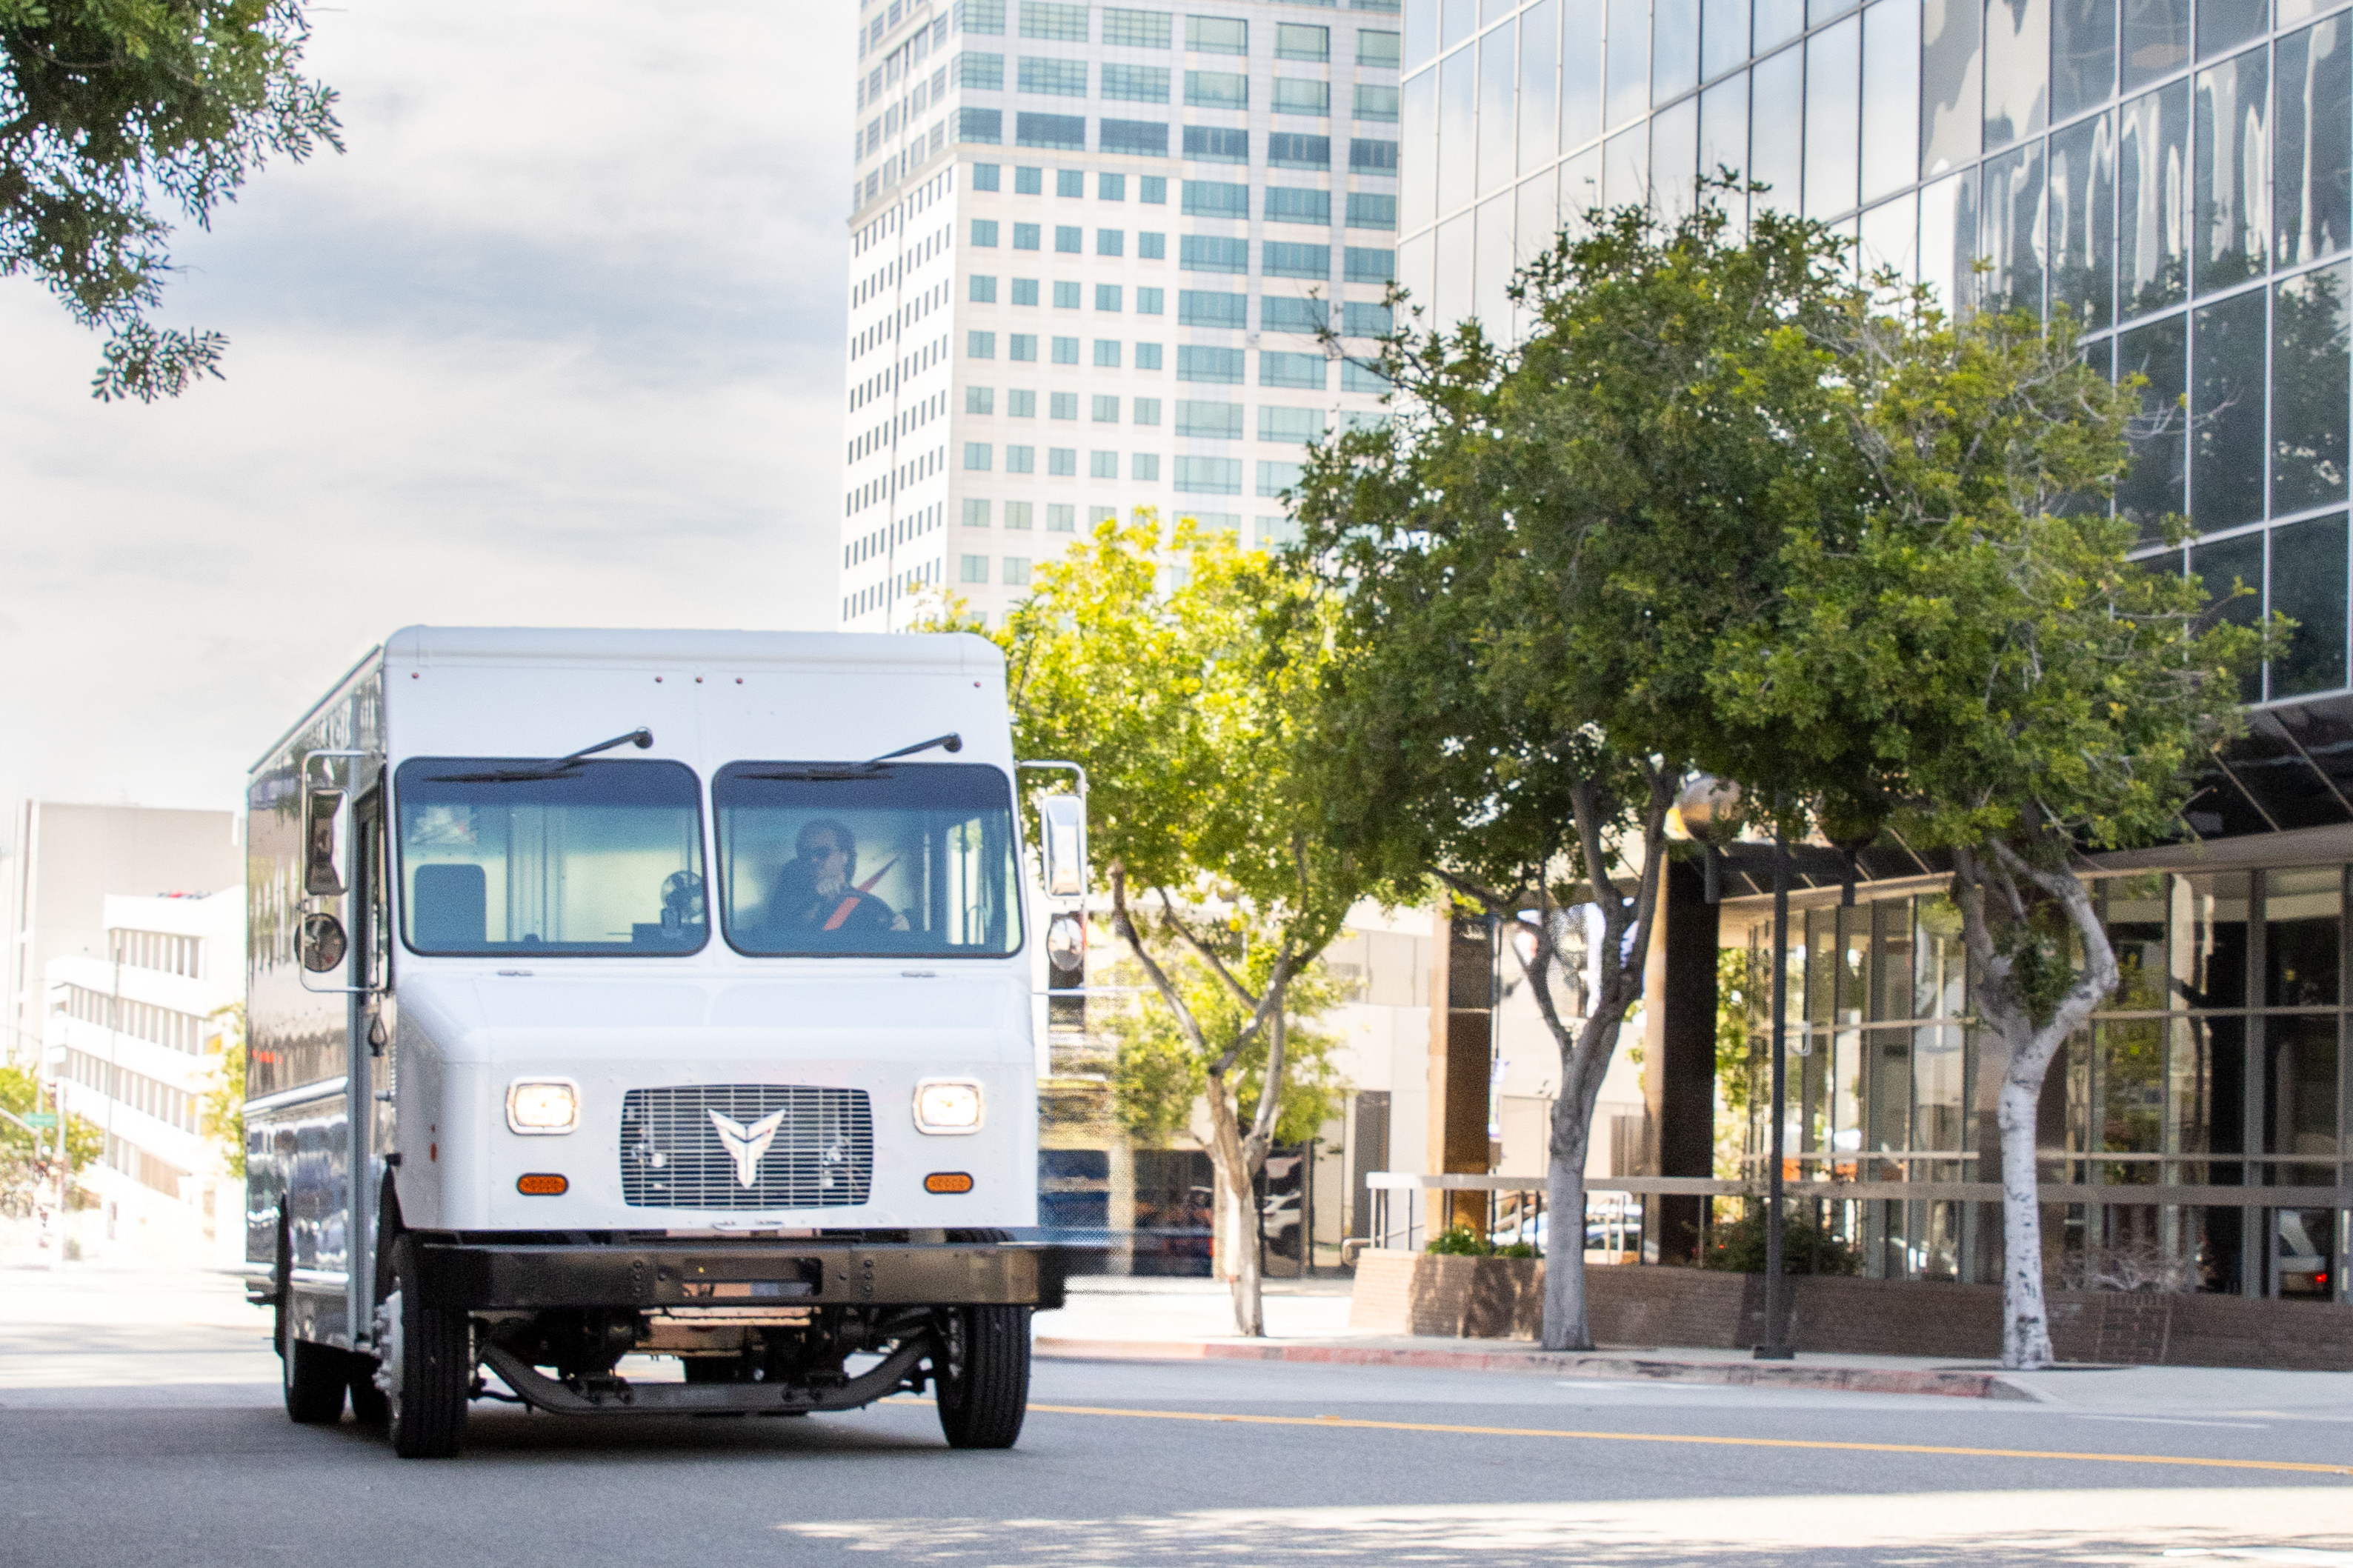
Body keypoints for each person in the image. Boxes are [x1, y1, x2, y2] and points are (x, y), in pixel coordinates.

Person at [768, 819, 902, 935]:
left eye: (822, 852)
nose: (813, 859)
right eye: (805, 853)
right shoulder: (788, 904)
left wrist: (902, 929)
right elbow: (782, 937)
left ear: (844, 856)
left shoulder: (869, 907)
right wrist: (813, 901)